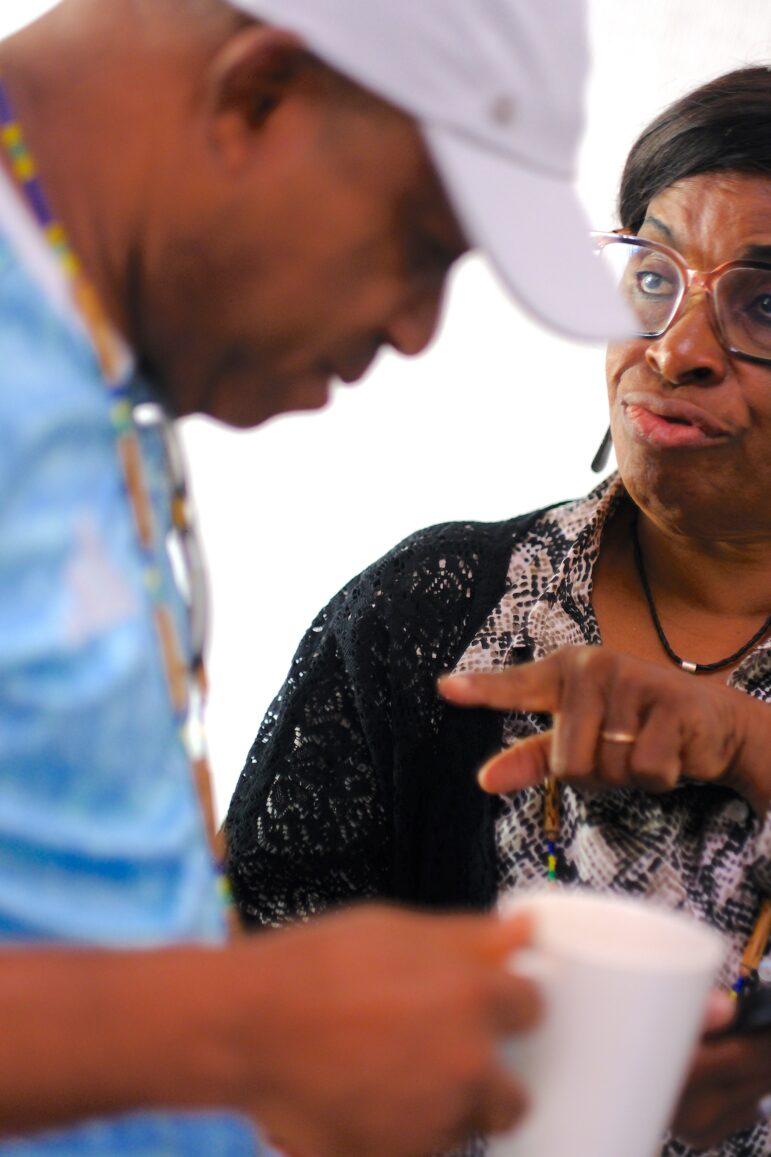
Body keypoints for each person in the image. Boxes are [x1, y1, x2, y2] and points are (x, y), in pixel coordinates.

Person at [0, 0, 639, 1154]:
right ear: (259, 96)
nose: (414, 329)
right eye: (420, 244)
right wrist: (252, 1023)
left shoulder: (73, 339)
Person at [225, 67, 771, 1156]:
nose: (675, 350)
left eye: (767, 303)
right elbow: (238, 983)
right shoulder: (431, 618)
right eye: (653, 276)